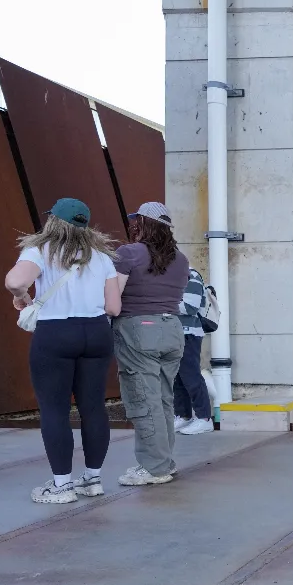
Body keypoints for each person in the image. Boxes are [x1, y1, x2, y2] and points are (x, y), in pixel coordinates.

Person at [5, 199, 122, 504]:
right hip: (96, 332)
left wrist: (22, 297)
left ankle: (61, 485)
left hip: (56, 333)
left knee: (55, 410)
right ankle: (92, 479)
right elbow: (113, 307)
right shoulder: (101, 257)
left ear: (53, 221)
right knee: (93, 408)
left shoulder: (40, 252)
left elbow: (15, 280)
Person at [113, 202, 190, 487]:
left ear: (142, 223)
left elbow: (113, 299)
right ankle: (165, 462)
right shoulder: (181, 259)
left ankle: (153, 467)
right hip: (172, 329)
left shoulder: (128, 253)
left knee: (143, 400)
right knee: (163, 398)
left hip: (138, 330)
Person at [173, 267, 213, 435]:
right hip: (174, 332)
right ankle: (183, 416)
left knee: (191, 376)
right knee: (177, 378)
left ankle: (204, 418)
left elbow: (190, 307)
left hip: (189, 333)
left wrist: (161, 303)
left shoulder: (191, 274)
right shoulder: (168, 274)